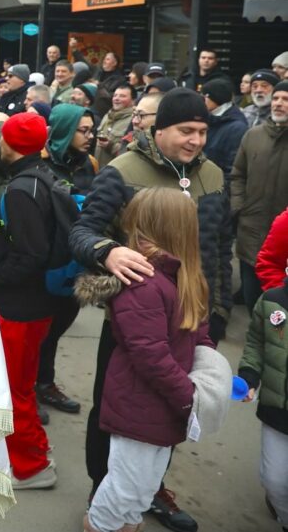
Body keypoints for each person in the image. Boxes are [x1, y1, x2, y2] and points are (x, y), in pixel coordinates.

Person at [70, 88, 232, 532]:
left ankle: (149, 488)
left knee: (171, 408)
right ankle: (103, 491)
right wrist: (107, 251)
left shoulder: (214, 175)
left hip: (192, 316)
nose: (196, 140)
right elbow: (82, 232)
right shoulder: (123, 170)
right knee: (117, 408)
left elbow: (220, 245)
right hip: (135, 320)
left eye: (202, 131)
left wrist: (219, 308)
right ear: (159, 130)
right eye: (186, 130)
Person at [80, 188, 215, 532]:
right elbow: (150, 355)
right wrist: (188, 397)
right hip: (141, 403)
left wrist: (212, 370)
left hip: (164, 403)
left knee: (144, 487)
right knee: (123, 488)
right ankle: (99, 525)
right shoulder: (145, 283)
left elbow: (199, 331)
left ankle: (126, 524)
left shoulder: (184, 276)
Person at [0, 113, 58, 489]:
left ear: (10, 144)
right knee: (21, 385)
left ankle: (32, 467)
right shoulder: (40, 178)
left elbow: (30, 253)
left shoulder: (20, 190)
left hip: (20, 307)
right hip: (36, 305)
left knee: (12, 389)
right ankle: (35, 450)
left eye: (2, 137)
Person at [36, 103, 99, 418]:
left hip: (75, 263)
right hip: (43, 262)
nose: (90, 136)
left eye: (91, 130)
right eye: (82, 130)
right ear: (64, 131)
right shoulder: (39, 162)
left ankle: (44, 383)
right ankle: (24, 390)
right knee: (36, 332)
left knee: (58, 327)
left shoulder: (91, 164)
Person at [239, 210, 288, 532]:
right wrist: (249, 375)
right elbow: (256, 342)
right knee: (274, 479)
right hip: (276, 409)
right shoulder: (273, 302)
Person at [230, 80, 288, 313]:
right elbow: (237, 174)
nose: (279, 103)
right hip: (251, 230)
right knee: (252, 297)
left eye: (286, 99)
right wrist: (239, 206)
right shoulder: (253, 136)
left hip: (283, 237)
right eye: (276, 98)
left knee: (279, 306)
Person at [200, 78, 249, 179]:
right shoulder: (208, 118)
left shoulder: (237, 128)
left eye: (205, 96)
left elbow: (233, 168)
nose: (202, 100)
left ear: (216, 98)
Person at [94, 83, 135, 167]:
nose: (116, 99)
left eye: (122, 96)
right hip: (98, 168)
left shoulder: (134, 120)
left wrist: (110, 146)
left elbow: (130, 150)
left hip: (115, 170)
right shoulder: (107, 116)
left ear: (133, 100)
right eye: (115, 95)